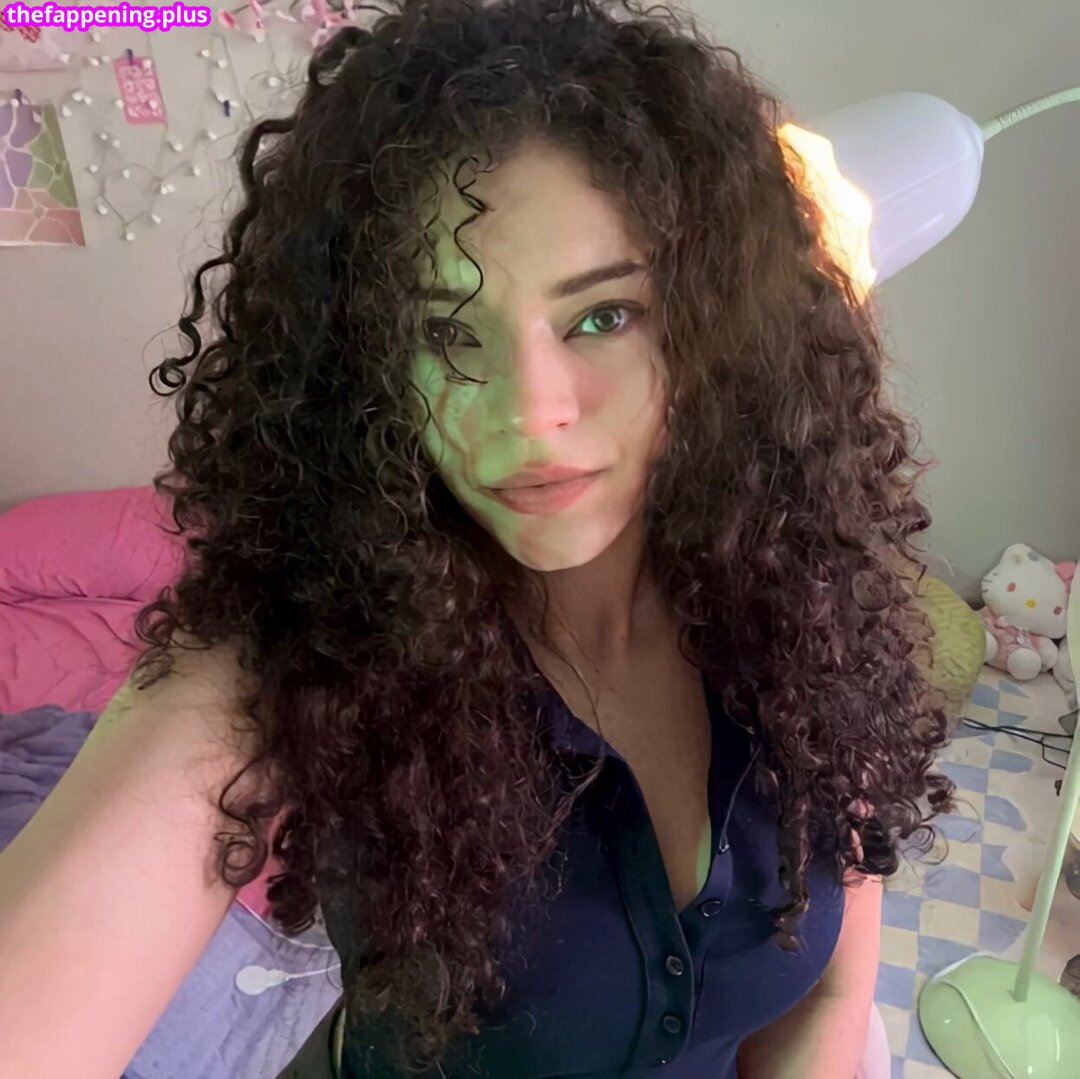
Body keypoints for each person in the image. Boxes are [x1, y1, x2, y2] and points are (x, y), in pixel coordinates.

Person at [0, 0, 955, 1076]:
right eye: (446, 333)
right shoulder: (298, 650)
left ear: (709, 323)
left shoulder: (802, 602)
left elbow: (831, 992)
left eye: (603, 315)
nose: (529, 413)